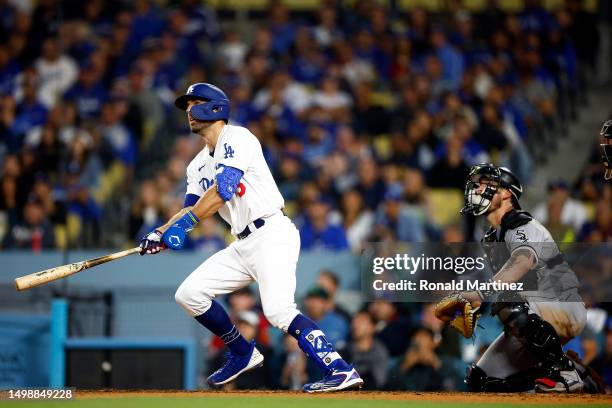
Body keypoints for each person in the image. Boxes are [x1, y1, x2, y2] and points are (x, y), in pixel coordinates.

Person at [138, 83, 363, 392]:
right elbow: (190, 209)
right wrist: (160, 232)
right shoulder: (196, 165)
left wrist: (184, 225)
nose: (189, 110)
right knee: (189, 294)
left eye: (195, 102)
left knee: (278, 311)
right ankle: (242, 351)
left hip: (271, 232)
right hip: (242, 242)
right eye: (186, 105)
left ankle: (339, 368)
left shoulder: (238, 137)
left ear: (216, 107)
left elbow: (223, 190)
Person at [452, 163, 589, 392]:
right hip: (534, 313)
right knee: (480, 380)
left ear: (506, 193)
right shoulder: (492, 236)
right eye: (478, 184)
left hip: (563, 304)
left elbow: (522, 262)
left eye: (487, 184)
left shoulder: (521, 224)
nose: (478, 189)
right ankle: (550, 374)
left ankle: (565, 371)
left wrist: (480, 294)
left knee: (508, 303)